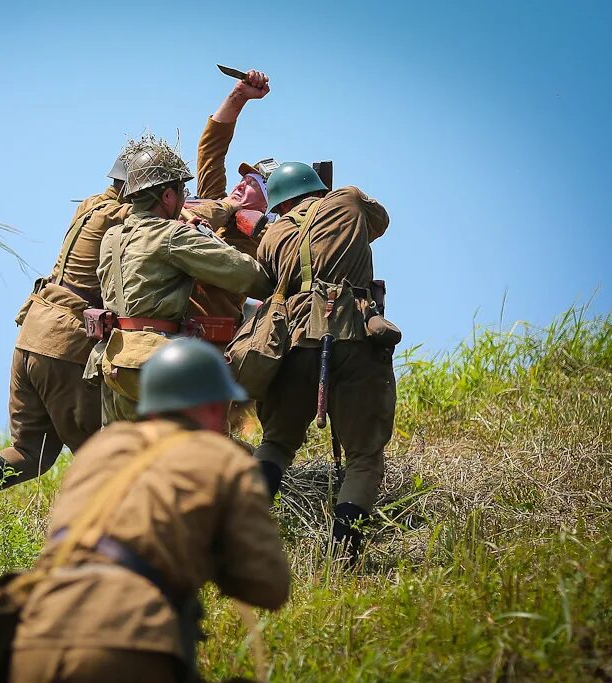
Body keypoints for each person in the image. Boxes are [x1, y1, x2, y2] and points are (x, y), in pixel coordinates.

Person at [0, 339, 290, 683]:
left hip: (31, 638)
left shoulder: (102, 448)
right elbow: (268, 587)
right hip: (128, 640)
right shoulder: (223, 459)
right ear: (215, 406)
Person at [0, 150, 133, 519]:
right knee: (101, 455)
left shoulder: (91, 205)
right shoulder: (123, 216)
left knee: (29, 452)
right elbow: (175, 220)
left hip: (33, 337)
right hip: (65, 347)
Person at [255, 161, 395, 562]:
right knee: (364, 456)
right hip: (353, 338)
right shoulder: (348, 199)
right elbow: (379, 223)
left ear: (278, 202)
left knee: (276, 443)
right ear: (317, 185)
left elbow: (265, 281)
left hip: (292, 343)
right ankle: (344, 555)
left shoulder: (271, 236)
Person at [86, 134, 273, 424]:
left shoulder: (113, 236)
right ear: (168, 196)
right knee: (205, 456)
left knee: (123, 461)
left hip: (111, 363)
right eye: (181, 191)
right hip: (152, 364)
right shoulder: (172, 236)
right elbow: (249, 276)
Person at [186, 68, 274, 329]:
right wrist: (239, 95)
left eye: (252, 184)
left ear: (271, 205)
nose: (239, 186)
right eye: (242, 180)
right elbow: (211, 150)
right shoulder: (221, 208)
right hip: (168, 330)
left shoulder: (272, 239)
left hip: (215, 342)